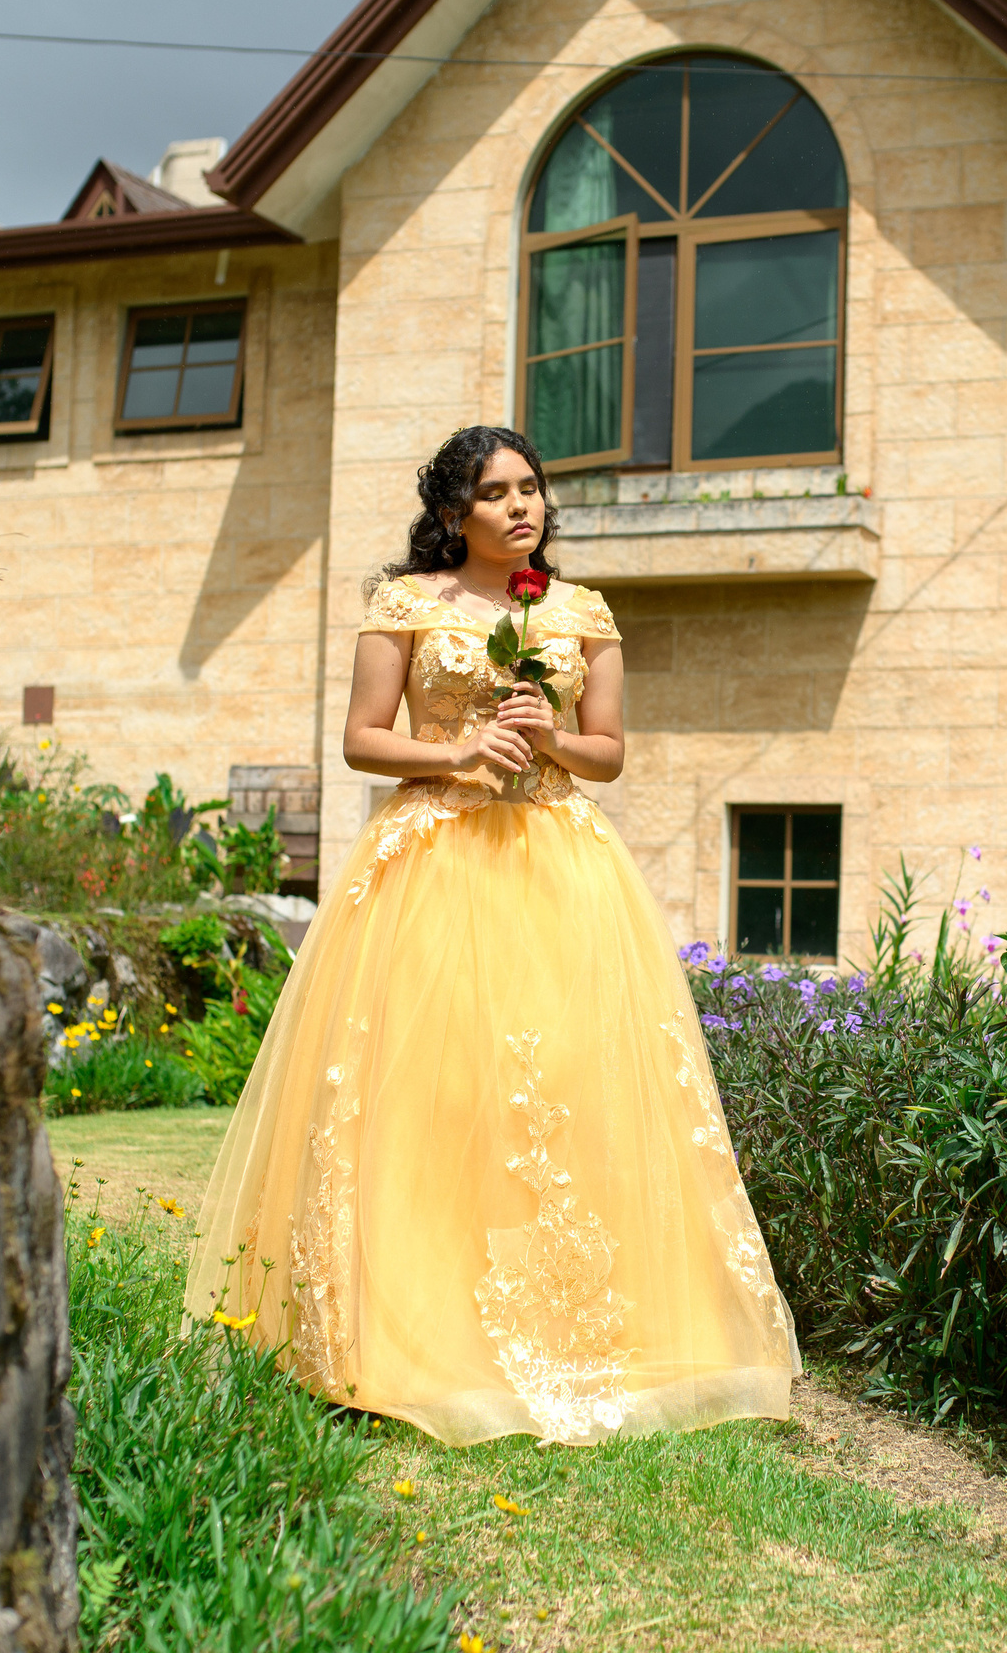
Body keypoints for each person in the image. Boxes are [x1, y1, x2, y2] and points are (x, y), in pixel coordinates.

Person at [182, 425, 800, 1446]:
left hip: (558, 862)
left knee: (569, 1088)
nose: (522, 508)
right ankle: (399, 1331)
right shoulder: (407, 607)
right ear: (450, 515)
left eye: (531, 489)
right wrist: (460, 747)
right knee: (432, 1090)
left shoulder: (582, 612)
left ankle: (586, 1328)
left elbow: (606, 754)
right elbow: (359, 740)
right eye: (496, 493)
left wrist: (547, 734)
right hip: (435, 860)